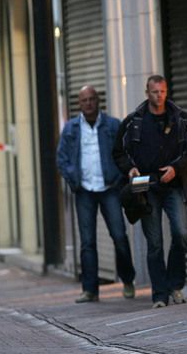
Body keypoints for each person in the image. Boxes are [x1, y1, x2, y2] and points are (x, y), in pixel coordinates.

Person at [113, 75, 187, 308]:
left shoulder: (181, 119)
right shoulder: (134, 121)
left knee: (181, 233)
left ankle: (175, 285)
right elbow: (118, 151)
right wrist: (129, 168)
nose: (158, 96)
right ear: (147, 92)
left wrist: (176, 168)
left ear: (166, 91)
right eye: (154, 92)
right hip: (146, 187)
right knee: (155, 243)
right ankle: (159, 294)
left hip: (173, 185)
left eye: (162, 91)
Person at [57, 86, 136, 303]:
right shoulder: (71, 128)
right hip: (84, 190)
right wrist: (74, 178)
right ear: (79, 104)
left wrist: (120, 177)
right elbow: (61, 158)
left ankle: (128, 280)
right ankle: (90, 290)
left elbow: (124, 152)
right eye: (84, 100)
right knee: (87, 242)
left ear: (98, 101)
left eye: (92, 99)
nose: (89, 103)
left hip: (110, 188)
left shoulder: (112, 125)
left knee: (119, 236)